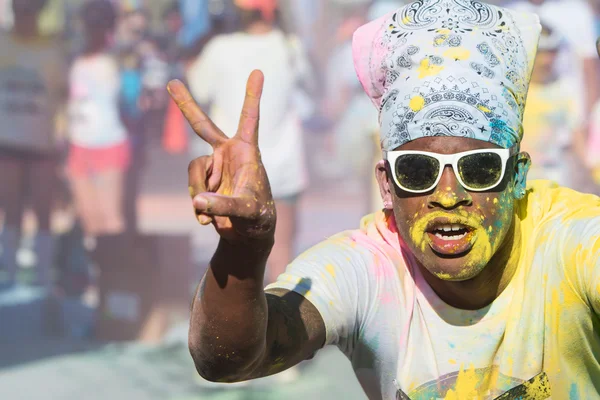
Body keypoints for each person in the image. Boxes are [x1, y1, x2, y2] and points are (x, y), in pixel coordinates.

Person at [171, 1, 600, 399]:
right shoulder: (370, 267)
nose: (448, 197)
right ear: (387, 185)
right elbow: (227, 361)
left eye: (479, 168)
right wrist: (243, 253)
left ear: (518, 175)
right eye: (417, 171)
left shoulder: (569, 241)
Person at [185, 0, 312, 284]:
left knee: (236, 257)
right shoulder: (290, 47)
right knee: (282, 255)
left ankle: (243, 324)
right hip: (283, 170)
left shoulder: (218, 49)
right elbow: (309, 88)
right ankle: (280, 324)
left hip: (233, 171)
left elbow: (199, 89)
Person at [0, 0, 67, 290]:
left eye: (29, 10)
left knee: (43, 211)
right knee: (10, 209)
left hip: (42, 143)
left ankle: (42, 278)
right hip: (8, 142)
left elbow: (64, 96)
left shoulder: (52, 51)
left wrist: (63, 136)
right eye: (19, 10)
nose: (24, 16)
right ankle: (11, 275)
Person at [67, 0, 129, 245]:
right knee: (88, 218)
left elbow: (130, 103)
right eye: (90, 25)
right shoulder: (73, 59)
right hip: (79, 144)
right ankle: (94, 277)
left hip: (110, 143)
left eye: (101, 25)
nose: (94, 30)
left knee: (110, 218)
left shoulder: (119, 60)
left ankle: (113, 276)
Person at [519, 24, 581, 187]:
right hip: (519, 178)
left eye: (552, 52)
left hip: (556, 179)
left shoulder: (565, 90)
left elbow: (576, 139)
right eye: (541, 52)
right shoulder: (512, 91)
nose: (546, 60)